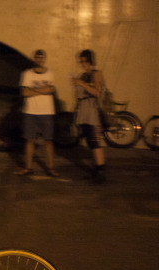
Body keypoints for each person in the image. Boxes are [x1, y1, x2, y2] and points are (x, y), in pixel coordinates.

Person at [14, 49, 59, 177]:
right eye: (37, 58)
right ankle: (28, 167)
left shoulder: (50, 73)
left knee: (48, 140)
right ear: (34, 59)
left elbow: (51, 89)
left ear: (44, 59)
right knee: (29, 140)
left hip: (46, 112)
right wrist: (43, 90)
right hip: (30, 112)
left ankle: (50, 168)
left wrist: (33, 90)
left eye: (42, 58)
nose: (39, 60)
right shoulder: (27, 74)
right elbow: (24, 92)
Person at [72, 49, 106, 183]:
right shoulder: (82, 75)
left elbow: (97, 92)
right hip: (84, 110)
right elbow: (80, 95)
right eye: (81, 61)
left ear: (90, 61)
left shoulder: (96, 74)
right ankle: (96, 169)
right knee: (89, 141)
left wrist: (82, 84)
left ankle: (101, 171)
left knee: (94, 140)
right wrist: (77, 86)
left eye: (85, 61)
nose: (83, 63)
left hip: (92, 111)